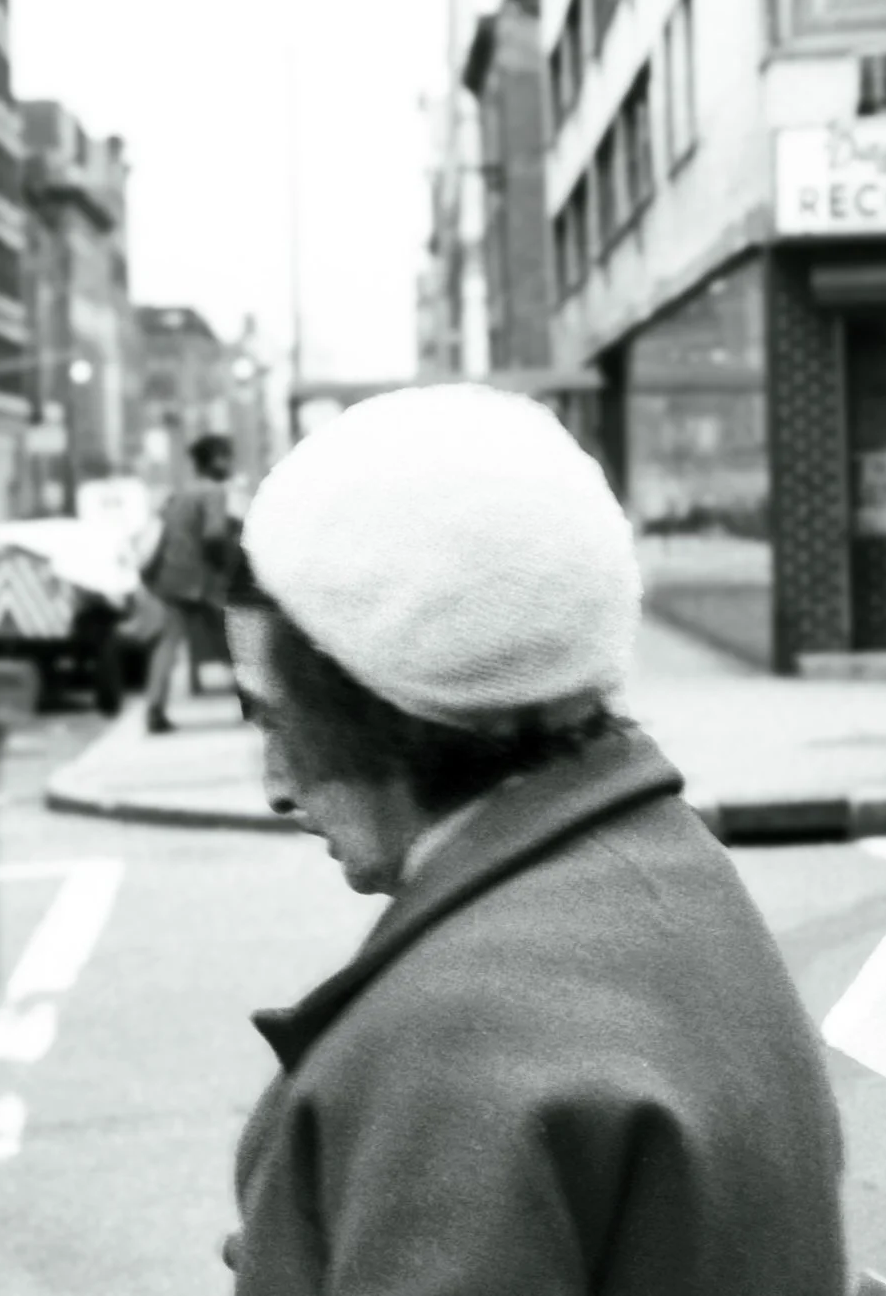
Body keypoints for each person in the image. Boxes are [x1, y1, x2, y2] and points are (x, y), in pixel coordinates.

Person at [222, 384, 846, 1296]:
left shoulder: (453, 1044)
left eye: (277, 718)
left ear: (380, 705)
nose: (275, 783)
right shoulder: (664, 867)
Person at [142, 434, 235, 733]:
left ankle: (154, 709)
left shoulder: (181, 493)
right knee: (233, 636)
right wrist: (223, 571)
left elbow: (166, 535)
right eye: (225, 456)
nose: (229, 462)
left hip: (171, 578)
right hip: (200, 579)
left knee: (169, 643)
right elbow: (214, 536)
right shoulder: (213, 492)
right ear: (215, 459)